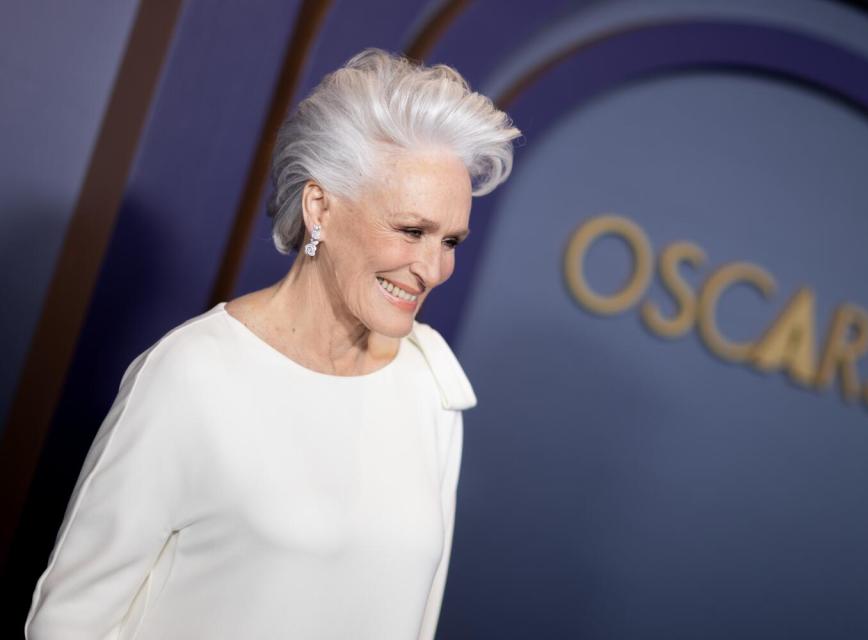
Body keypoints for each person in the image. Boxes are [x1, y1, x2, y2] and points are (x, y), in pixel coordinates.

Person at [24, 47, 521, 639]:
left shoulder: (430, 382)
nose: (433, 268)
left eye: (451, 241)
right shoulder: (194, 373)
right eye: (411, 230)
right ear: (320, 209)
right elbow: (70, 620)